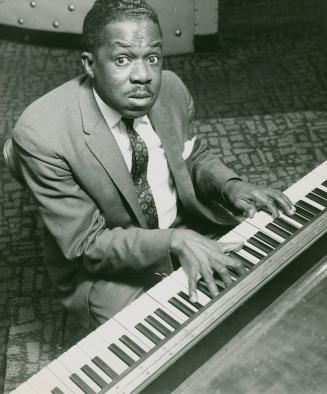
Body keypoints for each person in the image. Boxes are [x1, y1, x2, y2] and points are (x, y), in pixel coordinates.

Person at [12, 0, 294, 331]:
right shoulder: (42, 135)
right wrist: (173, 241)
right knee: (171, 345)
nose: (144, 76)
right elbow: (87, 245)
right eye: (122, 59)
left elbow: (192, 155)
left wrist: (231, 185)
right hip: (110, 270)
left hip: (188, 226)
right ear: (89, 64)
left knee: (272, 285)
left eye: (153, 58)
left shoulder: (171, 88)